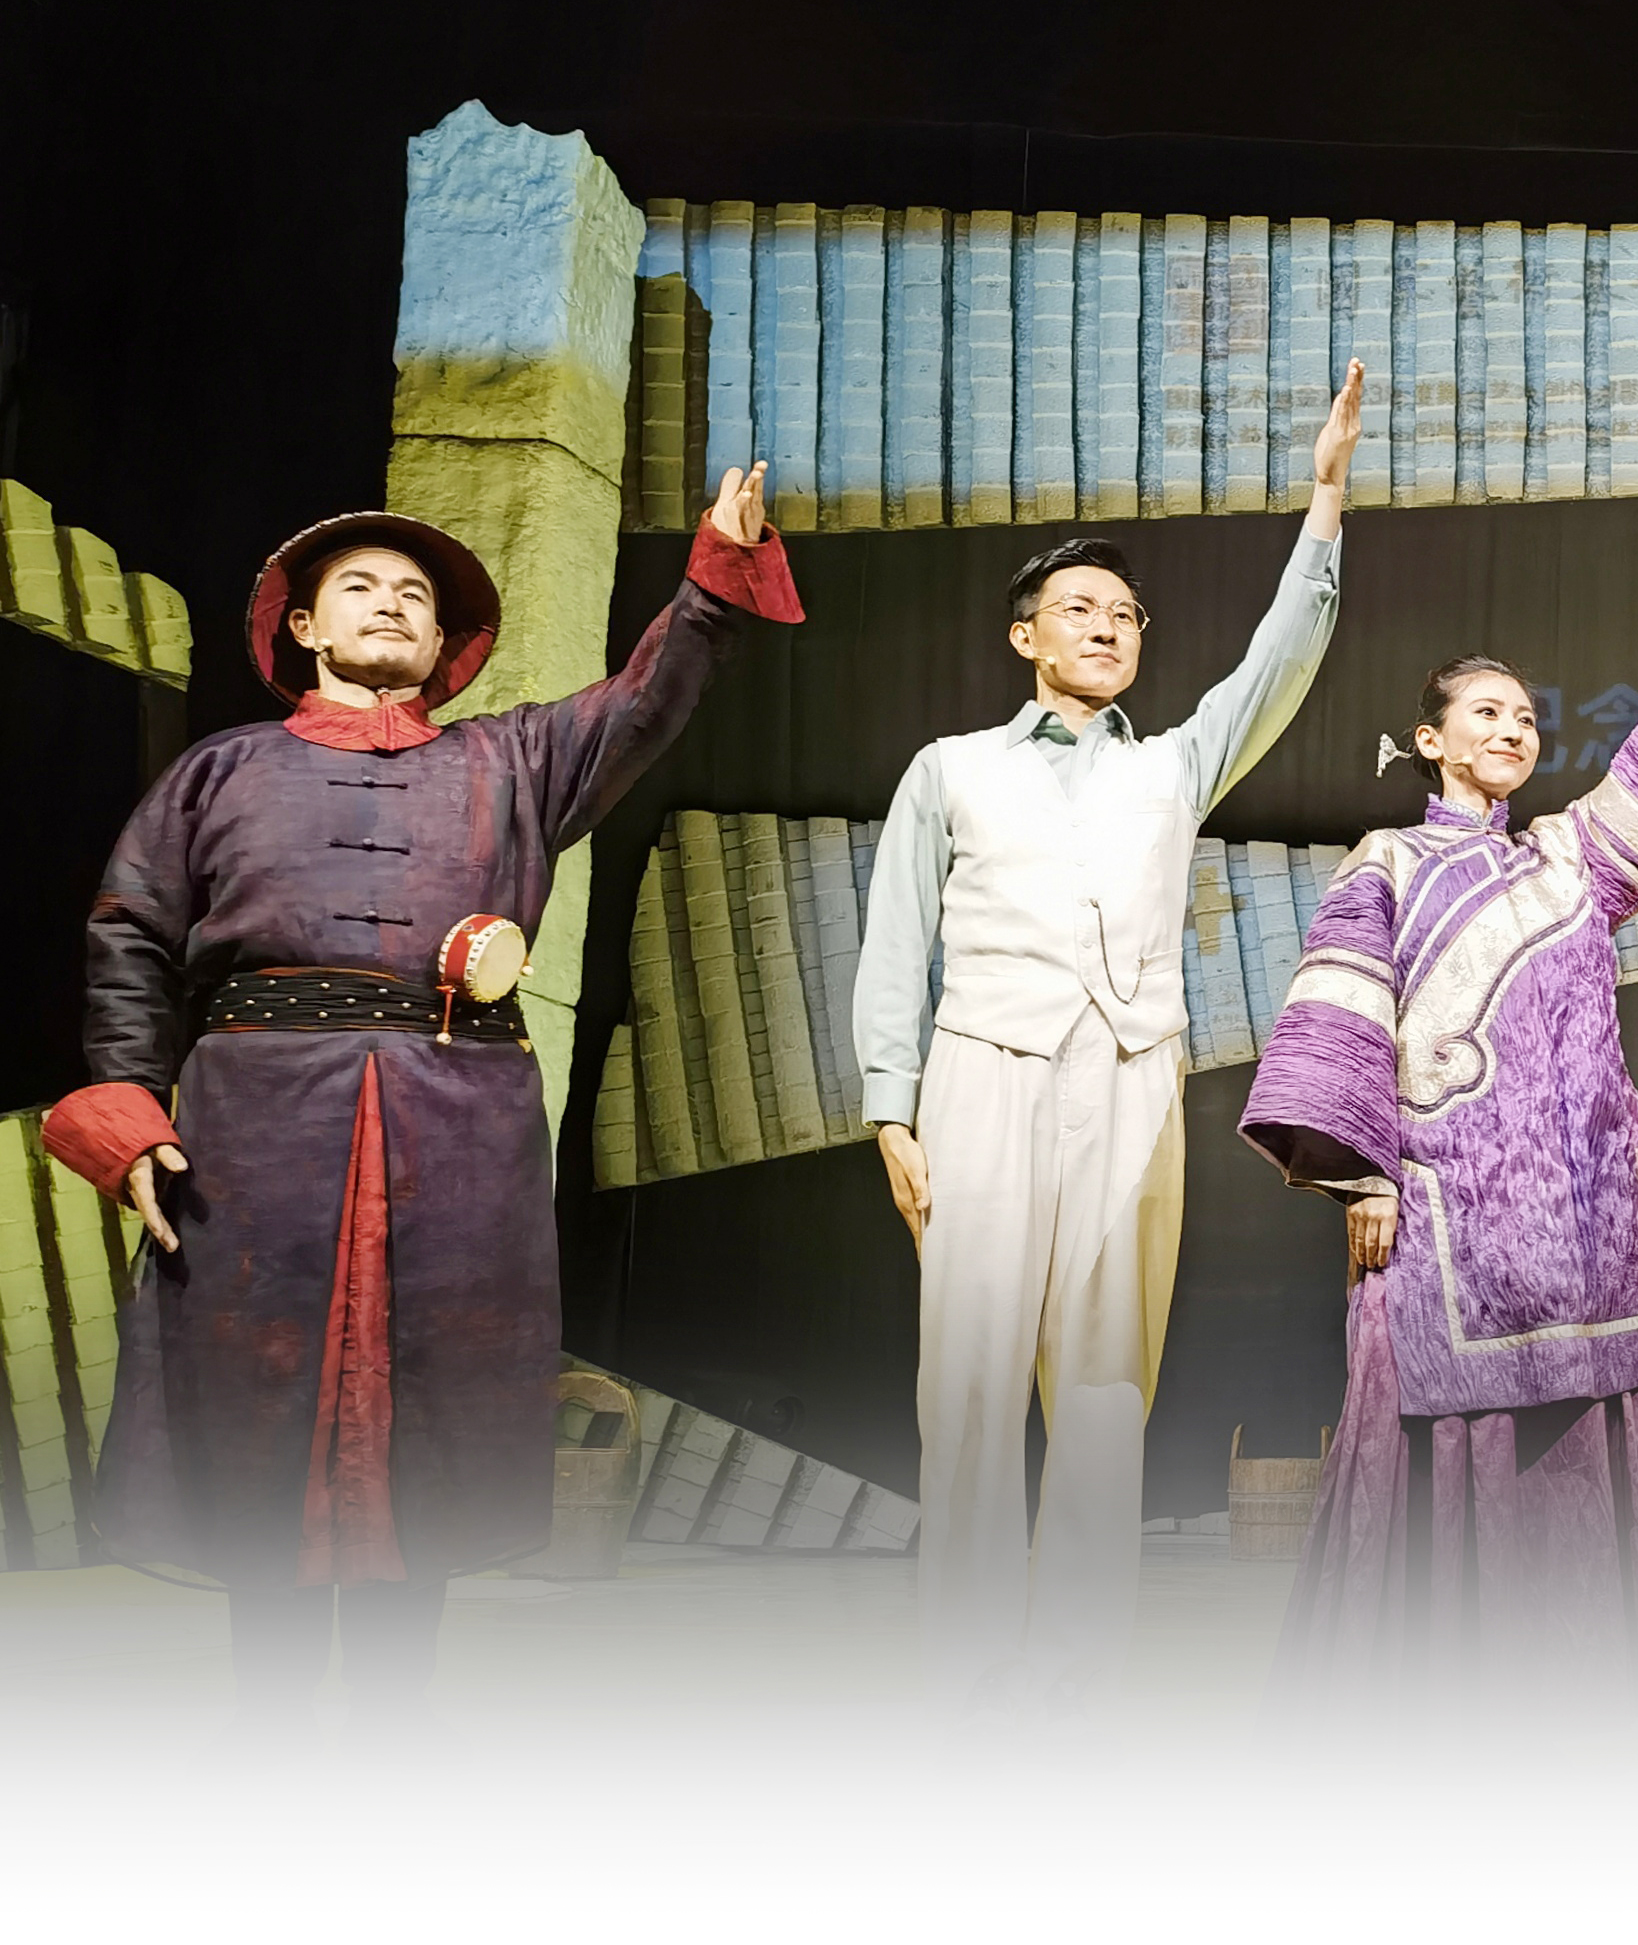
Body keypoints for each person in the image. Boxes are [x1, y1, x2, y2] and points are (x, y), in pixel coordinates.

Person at [49, 467, 800, 1719]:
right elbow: (128, 936)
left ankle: (394, 1739)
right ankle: (272, 1730)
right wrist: (127, 1114)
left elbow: (646, 698)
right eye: (360, 587)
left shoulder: (515, 761)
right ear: (303, 626)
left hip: (459, 1125)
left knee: (434, 1401)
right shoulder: (217, 772)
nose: (392, 603)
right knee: (257, 1400)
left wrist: (714, 576)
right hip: (253, 1126)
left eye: (416, 594)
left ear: (447, 641)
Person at [854, 363, 1361, 1710]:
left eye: (1126, 615)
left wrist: (1323, 503)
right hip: (984, 1070)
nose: (1108, 627)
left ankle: (1076, 1669)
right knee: (968, 1370)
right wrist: (891, 1105)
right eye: (1080, 608)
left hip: (1129, 1079)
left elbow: (1277, 665)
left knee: (1100, 1381)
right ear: (1026, 634)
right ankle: (965, 1664)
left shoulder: (1170, 763)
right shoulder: (952, 765)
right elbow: (898, 940)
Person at [1240, 525, 1638, 1700]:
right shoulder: (1386, 860)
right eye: (1484, 714)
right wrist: (1362, 1175)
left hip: (1577, 1233)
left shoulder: (1565, 859)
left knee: (1578, 1445)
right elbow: (1338, 1018)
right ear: (1430, 741)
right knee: (1421, 1446)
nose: (1511, 730)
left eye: (1526, 719)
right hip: (1444, 1223)